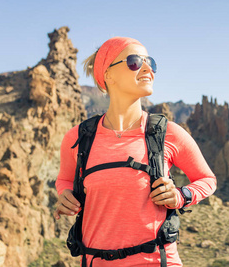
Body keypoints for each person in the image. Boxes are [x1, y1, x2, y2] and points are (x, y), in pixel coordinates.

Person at [54, 37, 217, 266]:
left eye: (151, 62)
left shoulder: (167, 133)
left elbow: (207, 179)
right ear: (108, 75)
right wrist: (65, 194)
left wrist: (181, 196)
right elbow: (64, 179)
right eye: (135, 62)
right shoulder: (78, 138)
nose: (148, 69)